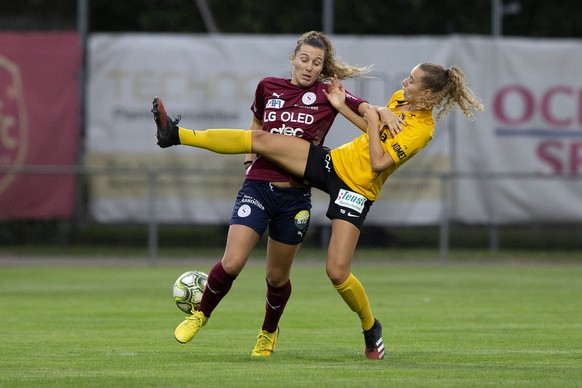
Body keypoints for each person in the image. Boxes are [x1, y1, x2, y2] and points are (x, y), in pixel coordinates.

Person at [154, 62, 484, 360]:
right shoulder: (400, 100)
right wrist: (345, 107)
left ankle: (371, 328)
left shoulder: (422, 130)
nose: (404, 82)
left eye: (410, 81)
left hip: (357, 190)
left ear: (427, 93)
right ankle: (176, 135)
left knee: (337, 272)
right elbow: (369, 127)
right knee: (262, 140)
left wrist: (372, 119)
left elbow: (379, 161)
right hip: (333, 163)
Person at [159, 31, 387, 358]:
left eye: (317, 63)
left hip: (295, 198)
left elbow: (368, 113)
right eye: (304, 59)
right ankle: (200, 314)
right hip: (258, 187)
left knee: (277, 278)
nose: (309, 67)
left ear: (323, 67)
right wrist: (249, 160)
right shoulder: (268, 86)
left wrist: (382, 111)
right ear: (292, 59)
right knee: (233, 261)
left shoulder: (329, 92)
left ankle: (268, 332)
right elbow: (256, 122)